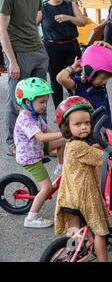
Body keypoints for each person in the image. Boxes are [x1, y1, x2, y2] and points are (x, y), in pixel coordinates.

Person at [0, 0, 50, 157]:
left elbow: (36, 16)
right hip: (18, 53)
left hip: (38, 50)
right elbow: (2, 29)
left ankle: (42, 141)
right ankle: (13, 142)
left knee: (41, 99)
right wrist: (11, 60)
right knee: (16, 100)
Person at [54, 96, 111, 262]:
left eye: (87, 123)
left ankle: (73, 253)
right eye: (78, 124)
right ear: (67, 126)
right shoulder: (79, 147)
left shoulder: (72, 144)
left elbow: (88, 150)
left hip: (68, 199)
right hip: (84, 199)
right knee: (101, 232)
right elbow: (103, 157)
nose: (84, 127)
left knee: (75, 232)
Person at [14, 78, 66, 228]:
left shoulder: (36, 115)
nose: (44, 105)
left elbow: (48, 133)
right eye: (41, 102)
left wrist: (64, 136)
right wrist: (64, 133)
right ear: (27, 102)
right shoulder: (25, 118)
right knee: (47, 188)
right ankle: (31, 217)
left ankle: (61, 166)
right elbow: (41, 137)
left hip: (38, 147)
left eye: (45, 101)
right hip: (30, 157)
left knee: (64, 141)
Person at [56, 42, 112, 129]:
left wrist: (110, 48)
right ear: (90, 72)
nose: (105, 82)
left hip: (106, 132)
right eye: (103, 78)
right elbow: (60, 78)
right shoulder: (77, 85)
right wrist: (72, 68)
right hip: (87, 135)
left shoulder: (100, 85)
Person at [37, 0, 85, 109]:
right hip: (52, 47)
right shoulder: (43, 7)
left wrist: (68, 17)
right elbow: (31, 25)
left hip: (71, 46)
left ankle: (77, 107)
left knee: (75, 76)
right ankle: (60, 110)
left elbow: (82, 22)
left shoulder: (69, 4)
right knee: (55, 80)